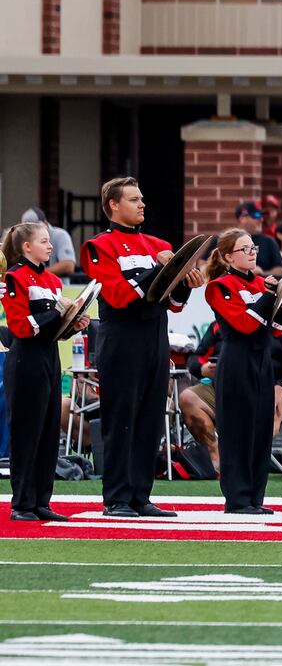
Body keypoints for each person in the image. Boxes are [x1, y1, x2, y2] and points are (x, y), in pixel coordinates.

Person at [83, 177, 202, 518]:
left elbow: (172, 303)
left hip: (155, 337)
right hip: (121, 339)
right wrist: (159, 269)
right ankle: (117, 498)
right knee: (121, 418)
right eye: (134, 199)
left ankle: (141, 496)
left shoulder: (158, 243)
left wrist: (185, 284)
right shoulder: (98, 246)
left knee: (151, 419)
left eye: (142, 198)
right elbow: (119, 296)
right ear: (113, 206)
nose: (142, 204)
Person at [201, 228, 282, 514]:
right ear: (229, 256)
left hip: (262, 359)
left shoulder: (260, 282)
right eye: (245, 249)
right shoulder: (219, 286)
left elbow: (277, 330)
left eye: (253, 247)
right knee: (237, 430)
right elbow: (244, 324)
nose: (253, 252)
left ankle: (256, 497)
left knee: (259, 429)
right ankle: (238, 498)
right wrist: (269, 295)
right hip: (236, 360)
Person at [3, 221, 89, 520]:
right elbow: (21, 327)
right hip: (25, 359)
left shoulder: (53, 281)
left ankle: (42, 501)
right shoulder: (15, 277)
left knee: (49, 430)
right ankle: (22, 504)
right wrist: (57, 311)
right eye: (43, 241)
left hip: (48, 357)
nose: (50, 246)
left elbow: (54, 330)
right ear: (27, 247)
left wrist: (72, 322)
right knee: (27, 432)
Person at [180, 305, 282, 471]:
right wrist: (202, 369)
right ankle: (216, 457)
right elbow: (195, 359)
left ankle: (250, 464)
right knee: (187, 398)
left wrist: (281, 387)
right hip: (225, 388)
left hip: (273, 389)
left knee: (273, 410)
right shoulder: (221, 324)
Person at [20, 208, 75, 277]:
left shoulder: (60, 235)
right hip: (33, 284)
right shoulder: (24, 238)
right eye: (27, 230)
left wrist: (36, 272)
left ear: (46, 223)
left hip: (59, 286)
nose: (32, 232)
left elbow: (68, 266)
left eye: (36, 227)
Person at [234, 201, 281, 276]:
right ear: (242, 218)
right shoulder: (225, 241)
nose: (261, 220)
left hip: (261, 286)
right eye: (256, 215)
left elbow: (281, 270)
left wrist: (261, 274)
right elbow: (210, 267)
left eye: (261, 215)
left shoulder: (268, 242)